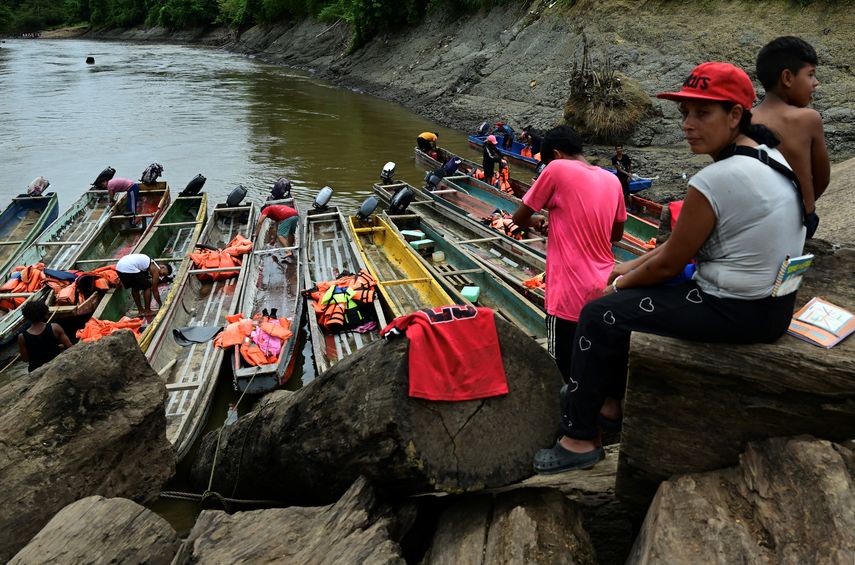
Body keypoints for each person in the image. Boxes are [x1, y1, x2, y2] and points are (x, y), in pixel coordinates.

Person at [532, 62, 806, 474]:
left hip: (736, 309)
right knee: (630, 298)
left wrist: (618, 283)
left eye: (702, 113)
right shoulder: (771, 159)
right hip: (774, 305)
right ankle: (609, 404)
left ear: (735, 116)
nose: (688, 125)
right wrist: (624, 271)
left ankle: (578, 437)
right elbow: (678, 250)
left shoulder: (716, 180)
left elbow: (669, 264)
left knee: (598, 314)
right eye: (685, 114)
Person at [512, 126, 626, 387]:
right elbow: (615, 235)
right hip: (605, 288)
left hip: (568, 295)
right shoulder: (612, 180)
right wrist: (563, 222)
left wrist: (537, 220)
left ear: (555, 154)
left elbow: (519, 218)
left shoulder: (557, 168)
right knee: (595, 363)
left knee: (563, 371)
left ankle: (570, 420)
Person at [753, 36, 829, 238]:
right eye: (811, 75)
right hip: (798, 222)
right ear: (787, 78)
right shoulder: (809, 119)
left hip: (755, 222)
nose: (816, 82)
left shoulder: (744, 119)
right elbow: (822, 178)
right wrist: (804, 205)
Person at [18, 300, 72, 372]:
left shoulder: (22, 337)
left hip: (36, 371)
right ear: (45, 313)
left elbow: (25, 359)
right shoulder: (55, 328)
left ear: (26, 316)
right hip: (56, 367)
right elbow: (70, 347)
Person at [611, 145, 633, 209]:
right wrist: (628, 174)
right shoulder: (614, 159)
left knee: (627, 192)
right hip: (620, 177)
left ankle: (631, 207)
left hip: (626, 176)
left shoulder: (626, 157)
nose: (619, 150)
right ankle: (622, 206)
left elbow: (630, 166)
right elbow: (619, 169)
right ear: (616, 150)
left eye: (620, 149)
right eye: (618, 149)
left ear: (622, 149)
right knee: (621, 192)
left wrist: (629, 174)